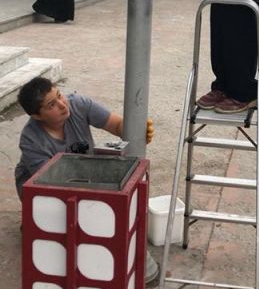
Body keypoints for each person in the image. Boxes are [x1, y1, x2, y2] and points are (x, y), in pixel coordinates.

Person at [14, 76, 154, 199]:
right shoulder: (31, 140)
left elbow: (116, 125)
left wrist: (136, 131)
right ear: (37, 116)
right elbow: (50, 183)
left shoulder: (78, 105)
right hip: (42, 187)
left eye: (59, 95)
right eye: (51, 105)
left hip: (83, 174)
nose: (62, 105)